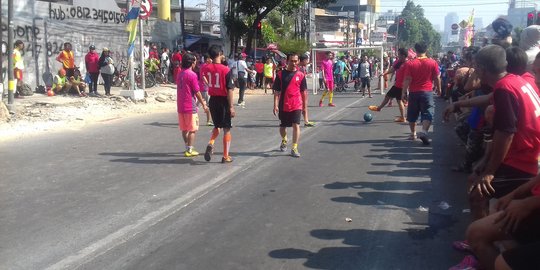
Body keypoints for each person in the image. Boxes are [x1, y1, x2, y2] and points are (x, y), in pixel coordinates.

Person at [450, 45, 540, 270]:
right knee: (476, 183)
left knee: (477, 191)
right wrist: (459, 104)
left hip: (522, 161)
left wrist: (490, 170)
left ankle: (478, 250)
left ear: (480, 68)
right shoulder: (516, 81)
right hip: (528, 158)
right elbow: (488, 101)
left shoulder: (505, 88)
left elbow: (506, 132)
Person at [401, 42, 441, 145]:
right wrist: (439, 90)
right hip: (427, 92)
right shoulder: (433, 63)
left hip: (414, 92)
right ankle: (424, 131)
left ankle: (413, 134)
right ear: (426, 50)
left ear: (416, 51)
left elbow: (407, 79)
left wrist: (403, 92)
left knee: (412, 114)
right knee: (428, 113)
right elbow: (437, 78)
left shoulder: (410, 63)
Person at [201, 45, 236, 163]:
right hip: (223, 101)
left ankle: (211, 142)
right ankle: (226, 156)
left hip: (213, 100)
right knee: (226, 128)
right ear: (220, 54)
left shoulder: (206, 68)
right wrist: (231, 106)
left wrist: (210, 85)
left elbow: (204, 78)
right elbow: (230, 89)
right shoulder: (226, 70)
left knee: (217, 126)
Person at [272, 53, 308, 158]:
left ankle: (294, 147)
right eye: (292, 61)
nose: (294, 63)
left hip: (296, 104)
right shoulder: (280, 75)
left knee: (296, 125)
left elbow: (303, 92)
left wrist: (305, 107)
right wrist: (275, 105)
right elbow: (277, 91)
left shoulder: (301, 75)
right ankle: (284, 139)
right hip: (283, 104)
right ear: (287, 61)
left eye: (296, 61)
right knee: (282, 127)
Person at [176, 53, 209, 157]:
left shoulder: (180, 74)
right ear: (192, 62)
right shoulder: (192, 75)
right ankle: (189, 150)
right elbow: (197, 92)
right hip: (190, 105)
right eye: (195, 61)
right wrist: (204, 104)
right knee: (193, 129)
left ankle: (187, 147)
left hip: (180, 105)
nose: (196, 63)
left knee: (184, 129)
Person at [368, 48, 408, 122]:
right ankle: (403, 117)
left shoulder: (408, 64)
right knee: (397, 100)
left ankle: (379, 108)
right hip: (398, 84)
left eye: (399, 54)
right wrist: (384, 73)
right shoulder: (399, 62)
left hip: (400, 86)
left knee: (390, 97)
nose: (398, 56)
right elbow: (393, 69)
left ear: (403, 55)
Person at [299, 53, 315, 127]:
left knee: (304, 105)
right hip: (300, 89)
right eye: (307, 60)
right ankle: (305, 121)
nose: (307, 62)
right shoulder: (299, 68)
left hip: (303, 88)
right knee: (303, 105)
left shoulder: (302, 67)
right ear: (304, 60)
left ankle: (306, 120)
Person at [199, 54, 213, 126]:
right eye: (210, 58)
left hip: (202, 87)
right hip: (204, 88)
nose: (211, 60)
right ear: (207, 59)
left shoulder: (203, 65)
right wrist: (208, 84)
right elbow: (203, 76)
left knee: (198, 103)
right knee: (208, 104)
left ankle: (192, 117)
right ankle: (208, 121)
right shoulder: (205, 66)